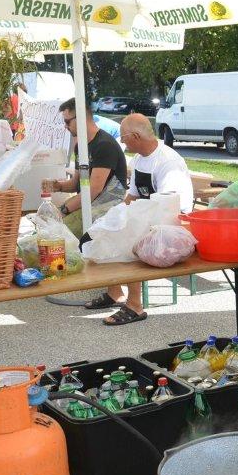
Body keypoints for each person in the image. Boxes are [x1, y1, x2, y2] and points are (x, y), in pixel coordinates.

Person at [82, 113, 194, 325]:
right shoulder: (140, 159)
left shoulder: (168, 162)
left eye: (123, 137)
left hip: (174, 225)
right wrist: (112, 217)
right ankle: (115, 291)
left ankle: (135, 305)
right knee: (107, 230)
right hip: (149, 215)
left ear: (135, 136)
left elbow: (170, 205)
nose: (122, 141)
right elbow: (132, 195)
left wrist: (131, 222)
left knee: (129, 241)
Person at [42, 98, 127, 240]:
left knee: (51, 238)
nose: (65, 126)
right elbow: (77, 184)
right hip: (89, 207)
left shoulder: (104, 145)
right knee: (45, 233)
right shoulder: (81, 146)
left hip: (105, 212)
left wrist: (63, 209)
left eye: (67, 121)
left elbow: (94, 190)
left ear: (80, 118)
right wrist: (56, 186)